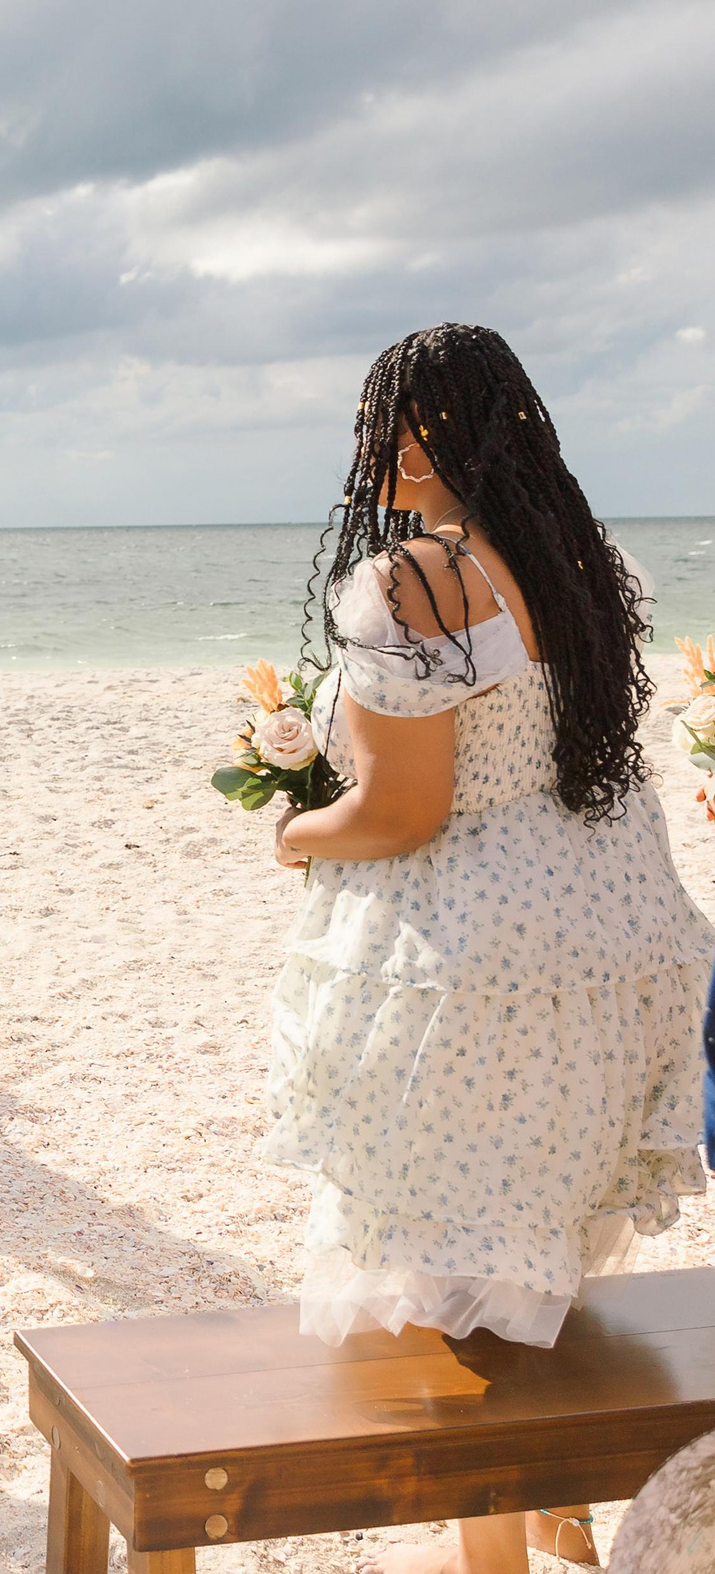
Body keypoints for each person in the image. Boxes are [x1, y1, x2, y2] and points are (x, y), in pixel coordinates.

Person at [258, 325, 713, 1574]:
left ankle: (492, 1557)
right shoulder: (582, 556)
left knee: (454, 1275)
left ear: (411, 437)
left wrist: (294, 831)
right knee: (544, 1239)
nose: (377, 454)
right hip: (614, 927)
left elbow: (402, 811)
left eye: (384, 429)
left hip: (477, 956)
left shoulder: (410, 582)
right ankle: (558, 1508)